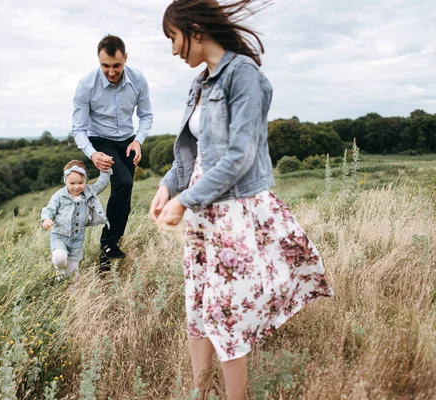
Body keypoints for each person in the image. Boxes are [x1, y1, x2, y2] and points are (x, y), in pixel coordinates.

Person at [149, 1, 334, 398]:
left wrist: (184, 201)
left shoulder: (243, 74)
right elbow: (195, 152)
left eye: (173, 38)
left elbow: (240, 154)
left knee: (228, 312)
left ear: (195, 30)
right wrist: (167, 187)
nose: (172, 50)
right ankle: (200, 390)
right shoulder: (200, 83)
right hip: (201, 208)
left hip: (230, 209)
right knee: (197, 300)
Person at [72, 34, 154, 272]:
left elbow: (146, 115)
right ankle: (108, 245)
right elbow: (78, 128)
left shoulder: (138, 80)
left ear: (126, 58)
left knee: (125, 195)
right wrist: (93, 154)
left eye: (116, 65)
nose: (111, 71)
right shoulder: (86, 85)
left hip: (128, 141)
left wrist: (138, 141)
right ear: (99, 61)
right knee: (124, 182)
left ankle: (107, 255)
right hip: (101, 140)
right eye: (105, 66)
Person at [41, 160, 111, 280]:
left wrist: (105, 168)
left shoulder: (89, 192)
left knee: (74, 275)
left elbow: (103, 182)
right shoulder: (59, 195)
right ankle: (60, 272)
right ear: (65, 181)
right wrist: (46, 219)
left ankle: (70, 291)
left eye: (81, 182)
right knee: (59, 257)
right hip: (59, 235)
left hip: (77, 239)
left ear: (86, 180)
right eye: (72, 183)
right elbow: (49, 209)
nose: (77, 186)